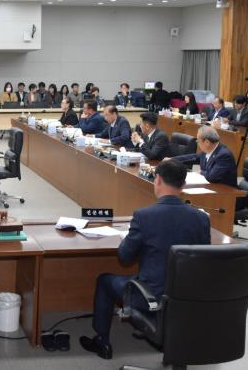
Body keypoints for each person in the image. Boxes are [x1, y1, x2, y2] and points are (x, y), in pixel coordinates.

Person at [80, 160, 210, 360]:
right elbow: (204, 257)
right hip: (187, 296)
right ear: (183, 185)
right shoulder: (201, 218)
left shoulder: (144, 216)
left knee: (104, 280)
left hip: (151, 297)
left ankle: (102, 342)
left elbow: (125, 257)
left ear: (157, 180)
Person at [169, 126, 237, 187]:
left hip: (226, 192)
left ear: (207, 142)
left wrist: (199, 172)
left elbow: (211, 177)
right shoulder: (207, 151)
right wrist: (172, 160)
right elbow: (193, 157)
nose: (197, 143)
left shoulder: (224, 155)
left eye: (198, 141)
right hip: (210, 187)